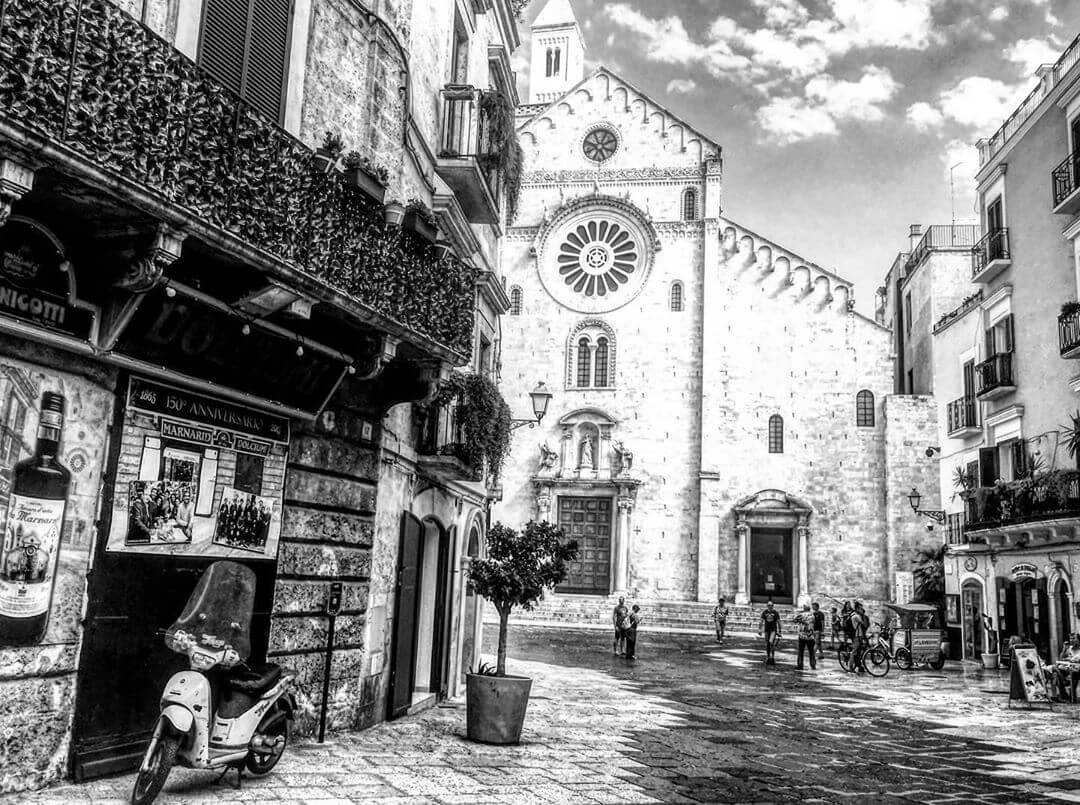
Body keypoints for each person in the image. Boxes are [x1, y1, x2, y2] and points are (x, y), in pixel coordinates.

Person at [793, 605, 817, 670]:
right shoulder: (812, 615)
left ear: (804, 609)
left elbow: (794, 620)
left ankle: (800, 665)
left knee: (801, 651)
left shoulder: (801, 615)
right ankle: (813, 664)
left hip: (802, 635)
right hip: (810, 636)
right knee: (811, 651)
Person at [758, 599, 782, 665]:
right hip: (766, 630)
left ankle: (773, 657)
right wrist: (760, 629)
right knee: (767, 644)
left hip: (773, 630)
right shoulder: (764, 612)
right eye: (769, 605)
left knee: (771, 642)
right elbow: (761, 621)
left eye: (771, 605)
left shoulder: (775, 613)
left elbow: (779, 622)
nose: (770, 606)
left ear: (773, 606)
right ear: (767, 606)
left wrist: (779, 631)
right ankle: (768, 657)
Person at [851, 601, 870, 672]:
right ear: (857, 609)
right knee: (854, 652)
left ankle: (859, 666)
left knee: (858, 652)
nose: (862, 610)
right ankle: (851, 667)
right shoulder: (856, 616)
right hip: (857, 635)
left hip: (859, 635)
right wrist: (863, 616)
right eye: (860, 608)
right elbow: (864, 624)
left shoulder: (854, 615)